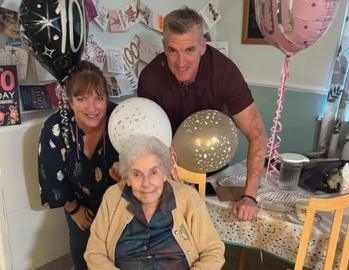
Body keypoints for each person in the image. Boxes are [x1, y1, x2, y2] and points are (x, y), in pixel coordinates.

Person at [137, 7, 267, 221]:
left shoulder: (224, 72)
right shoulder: (150, 78)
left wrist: (250, 197)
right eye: (172, 51)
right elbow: (147, 139)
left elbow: (257, 134)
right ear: (164, 47)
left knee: (209, 234)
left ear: (203, 46)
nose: (180, 62)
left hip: (212, 165)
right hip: (167, 169)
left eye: (189, 50)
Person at [85, 135, 225, 270]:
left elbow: (213, 252)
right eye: (136, 174)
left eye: (153, 173)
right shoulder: (113, 197)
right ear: (126, 177)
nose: (146, 184)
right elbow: (94, 253)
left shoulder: (187, 197)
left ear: (164, 173)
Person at [38, 61, 120, 269]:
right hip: (80, 206)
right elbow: (51, 176)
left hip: (121, 205)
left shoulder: (121, 119)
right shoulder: (55, 128)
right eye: (82, 98)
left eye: (99, 98)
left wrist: (128, 170)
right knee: (84, 258)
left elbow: (142, 160)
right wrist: (74, 210)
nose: (92, 108)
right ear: (70, 100)